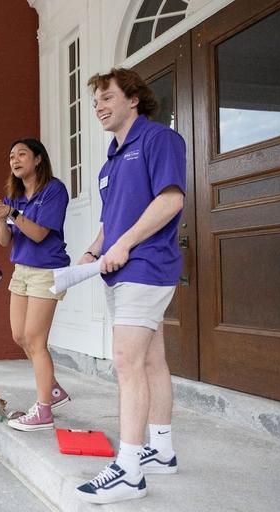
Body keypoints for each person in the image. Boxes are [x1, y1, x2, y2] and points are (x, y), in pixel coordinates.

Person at [75, 68, 186, 504]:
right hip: (118, 268)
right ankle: (161, 448)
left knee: (126, 362)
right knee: (151, 361)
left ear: (133, 99)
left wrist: (123, 244)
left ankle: (129, 469)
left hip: (146, 265)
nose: (99, 107)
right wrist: (89, 255)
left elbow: (171, 199)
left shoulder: (159, 140)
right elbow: (109, 221)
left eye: (107, 97)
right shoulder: (110, 160)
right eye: (96, 101)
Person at [0, 138, 72, 432]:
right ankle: (54, 389)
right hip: (21, 270)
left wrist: (10, 213)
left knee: (35, 339)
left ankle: (44, 409)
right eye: (11, 156)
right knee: (19, 335)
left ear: (37, 159)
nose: (15, 159)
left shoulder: (54, 190)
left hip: (47, 270)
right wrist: (1, 218)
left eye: (22, 154)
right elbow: (4, 240)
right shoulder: (15, 197)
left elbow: (37, 235)